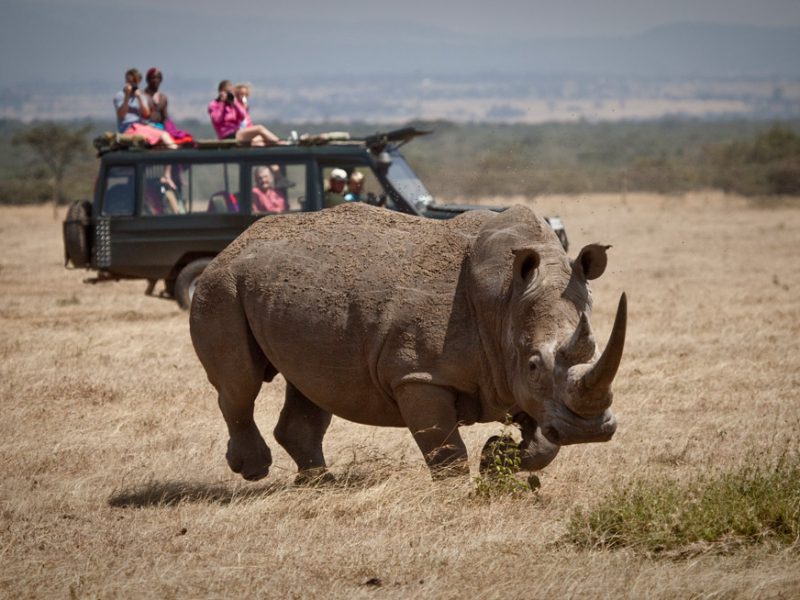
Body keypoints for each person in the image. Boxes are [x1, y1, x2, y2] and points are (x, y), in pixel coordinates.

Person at [114, 68, 177, 149]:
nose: (132, 84)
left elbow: (146, 114)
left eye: (134, 82)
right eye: (129, 82)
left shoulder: (141, 96)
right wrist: (127, 97)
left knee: (164, 135)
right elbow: (121, 115)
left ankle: (176, 157)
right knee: (159, 136)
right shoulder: (120, 96)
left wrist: (139, 98)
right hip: (128, 128)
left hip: (141, 127)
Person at [208, 80, 280, 146]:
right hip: (227, 135)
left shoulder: (232, 105)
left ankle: (276, 156)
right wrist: (222, 103)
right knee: (259, 128)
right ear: (220, 91)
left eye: (230, 92)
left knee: (259, 142)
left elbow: (243, 116)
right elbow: (217, 120)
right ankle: (281, 144)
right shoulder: (214, 105)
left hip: (238, 133)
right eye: (226, 92)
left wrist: (235, 102)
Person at [143, 67, 195, 145]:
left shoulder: (163, 98)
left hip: (160, 127)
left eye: (158, 78)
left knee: (185, 139)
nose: (155, 80)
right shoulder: (142, 95)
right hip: (146, 127)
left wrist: (169, 129)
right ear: (148, 80)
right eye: (153, 78)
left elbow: (164, 117)